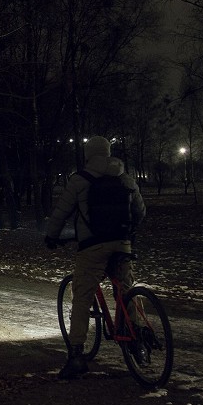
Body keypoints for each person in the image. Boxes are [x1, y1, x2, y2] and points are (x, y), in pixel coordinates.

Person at [44, 136, 146, 380]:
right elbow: (140, 212)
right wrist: (127, 233)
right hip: (122, 243)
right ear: (108, 152)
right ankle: (137, 336)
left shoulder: (80, 179)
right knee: (126, 288)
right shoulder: (125, 177)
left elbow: (61, 212)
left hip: (93, 246)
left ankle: (76, 356)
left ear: (88, 154)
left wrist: (51, 237)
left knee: (82, 295)